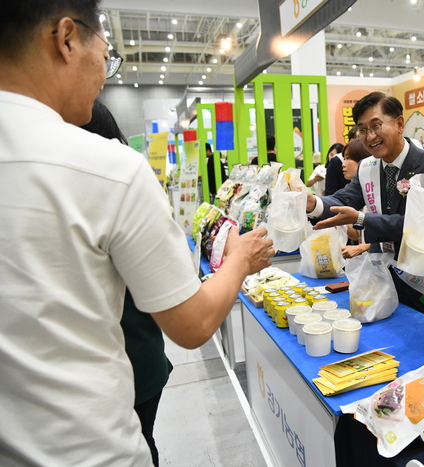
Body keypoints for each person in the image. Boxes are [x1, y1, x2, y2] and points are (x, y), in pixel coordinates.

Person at [0, 2, 274, 465]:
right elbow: (193, 324)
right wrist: (242, 259)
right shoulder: (107, 167)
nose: (104, 76)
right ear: (67, 38)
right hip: (91, 449)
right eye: (105, 57)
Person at [81, 100, 171, 466]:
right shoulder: (116, 191)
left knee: (139, 440)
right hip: (123, 364)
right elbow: (189, 320)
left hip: (128, 363)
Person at [306, 92, 424, 318]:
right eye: (362, 130)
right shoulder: (367, 166)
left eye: (376, 126)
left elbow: (422, 225)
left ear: (400, 124)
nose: (370, 136)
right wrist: (312, 202)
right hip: (384, 279)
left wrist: (361, 219)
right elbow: (344, 199)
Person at [340, 140, 373, 259]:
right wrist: (340, 222)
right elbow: (356, 234)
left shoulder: (377, 191)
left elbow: (393, 230)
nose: (343, 164)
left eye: (348, 158)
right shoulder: (359, 191)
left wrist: (363, 247)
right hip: (370, 265)